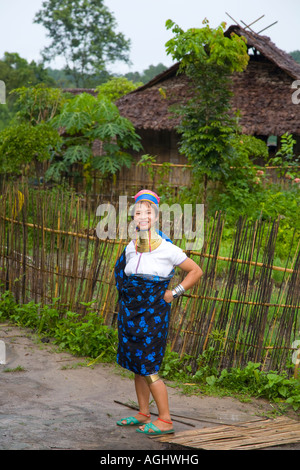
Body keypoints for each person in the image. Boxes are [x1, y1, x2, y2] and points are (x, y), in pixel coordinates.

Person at [114, 190, 203, 435]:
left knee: (149, 367)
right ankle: (144, 412)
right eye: (138, 212)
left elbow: (196, 271)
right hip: (131, 315)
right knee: (136, 365)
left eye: (148, 212)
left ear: (156, 216)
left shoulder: (167, 249)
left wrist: (174, 293)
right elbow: (122, 275)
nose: (143, 216)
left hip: (153, 315)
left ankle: (165, 419)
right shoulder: (131, 247)